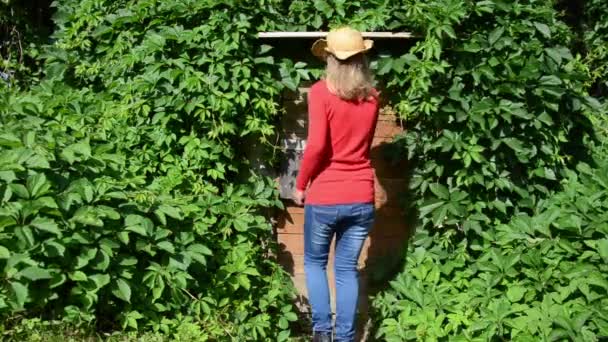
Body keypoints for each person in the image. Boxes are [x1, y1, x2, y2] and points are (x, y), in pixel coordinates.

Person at [293, 27, 378, 342]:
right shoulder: (372, 97)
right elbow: (362, 144)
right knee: (345, 270)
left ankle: (322, 333)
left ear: (329, 57)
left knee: (315, 264)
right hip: (362, 194)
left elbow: (316, 148)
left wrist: (301, 185)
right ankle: (345, 338)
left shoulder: (320, 92)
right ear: (361, 59)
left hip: (326, 194)